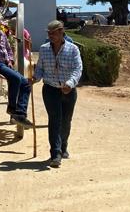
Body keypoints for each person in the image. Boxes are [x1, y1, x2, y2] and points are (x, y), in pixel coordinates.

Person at [32, 20, 82, 168]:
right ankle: (55, 154)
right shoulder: (44, 49)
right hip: (50, 89)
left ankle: (63, 146)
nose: (50, 35)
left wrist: (70, 83)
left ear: (61, 32)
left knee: (66, 121)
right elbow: (40, 68)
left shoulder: (73, 50)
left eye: (53, 33)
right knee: (55, 120)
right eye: (49, 33)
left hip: (68, 90)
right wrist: (35, 78)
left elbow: (77, 69)